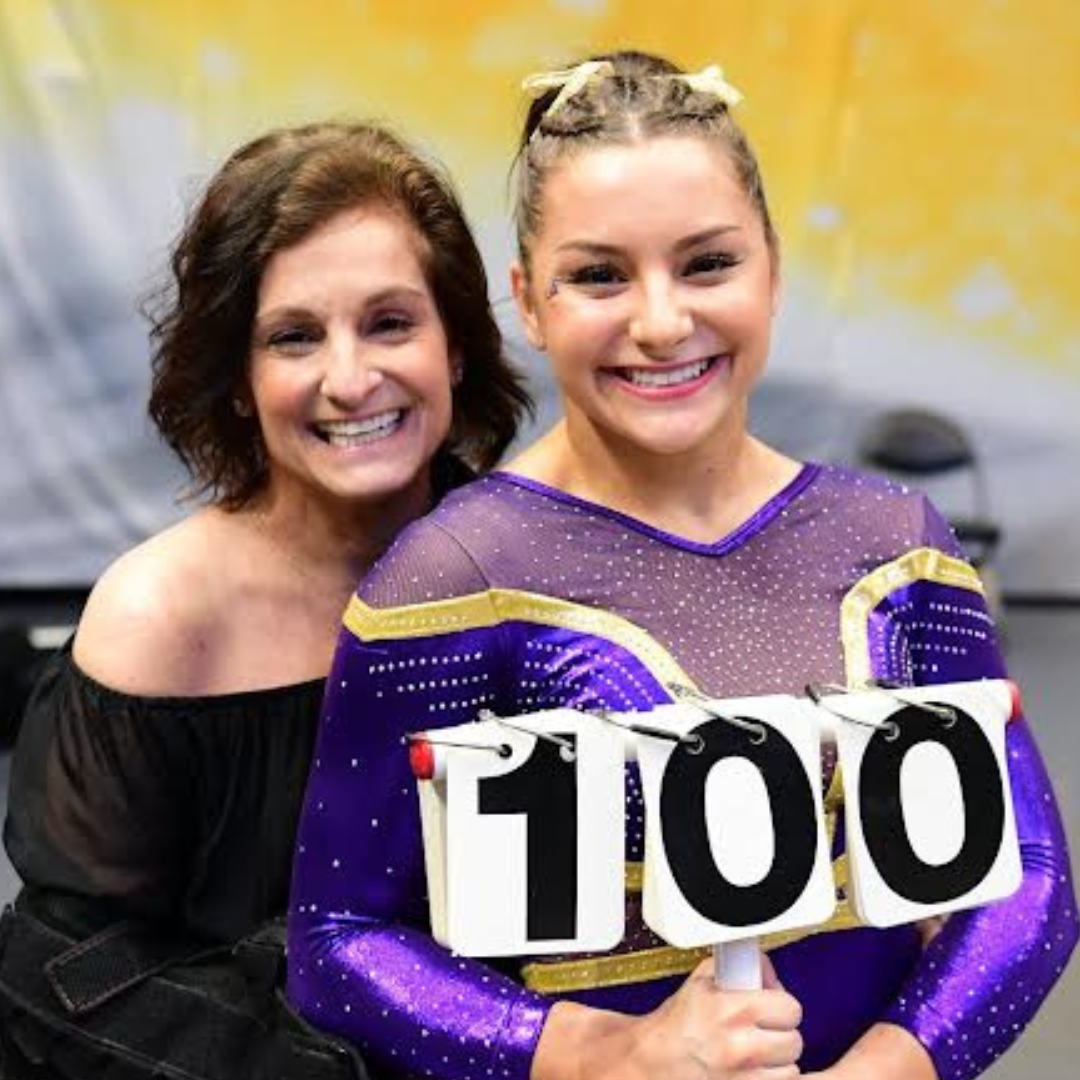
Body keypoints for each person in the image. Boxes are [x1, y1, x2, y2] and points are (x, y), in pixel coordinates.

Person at [286, 52, 1077, 1080]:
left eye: (707, 263)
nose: (660, 322)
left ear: (774, 269)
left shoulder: (897, 542)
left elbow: (1030, 881)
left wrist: (890, 1069)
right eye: (600, 275)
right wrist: (605, 1052)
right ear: (528, 300)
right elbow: (340, 940)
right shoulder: (452, 576)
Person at [0, 119, 531, 1080]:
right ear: (238, 382)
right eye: (294, 336)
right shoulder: (161, 614)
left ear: (457, 346)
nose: (350, 377)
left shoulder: (539, 573)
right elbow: (62, 973)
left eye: (390, 322)